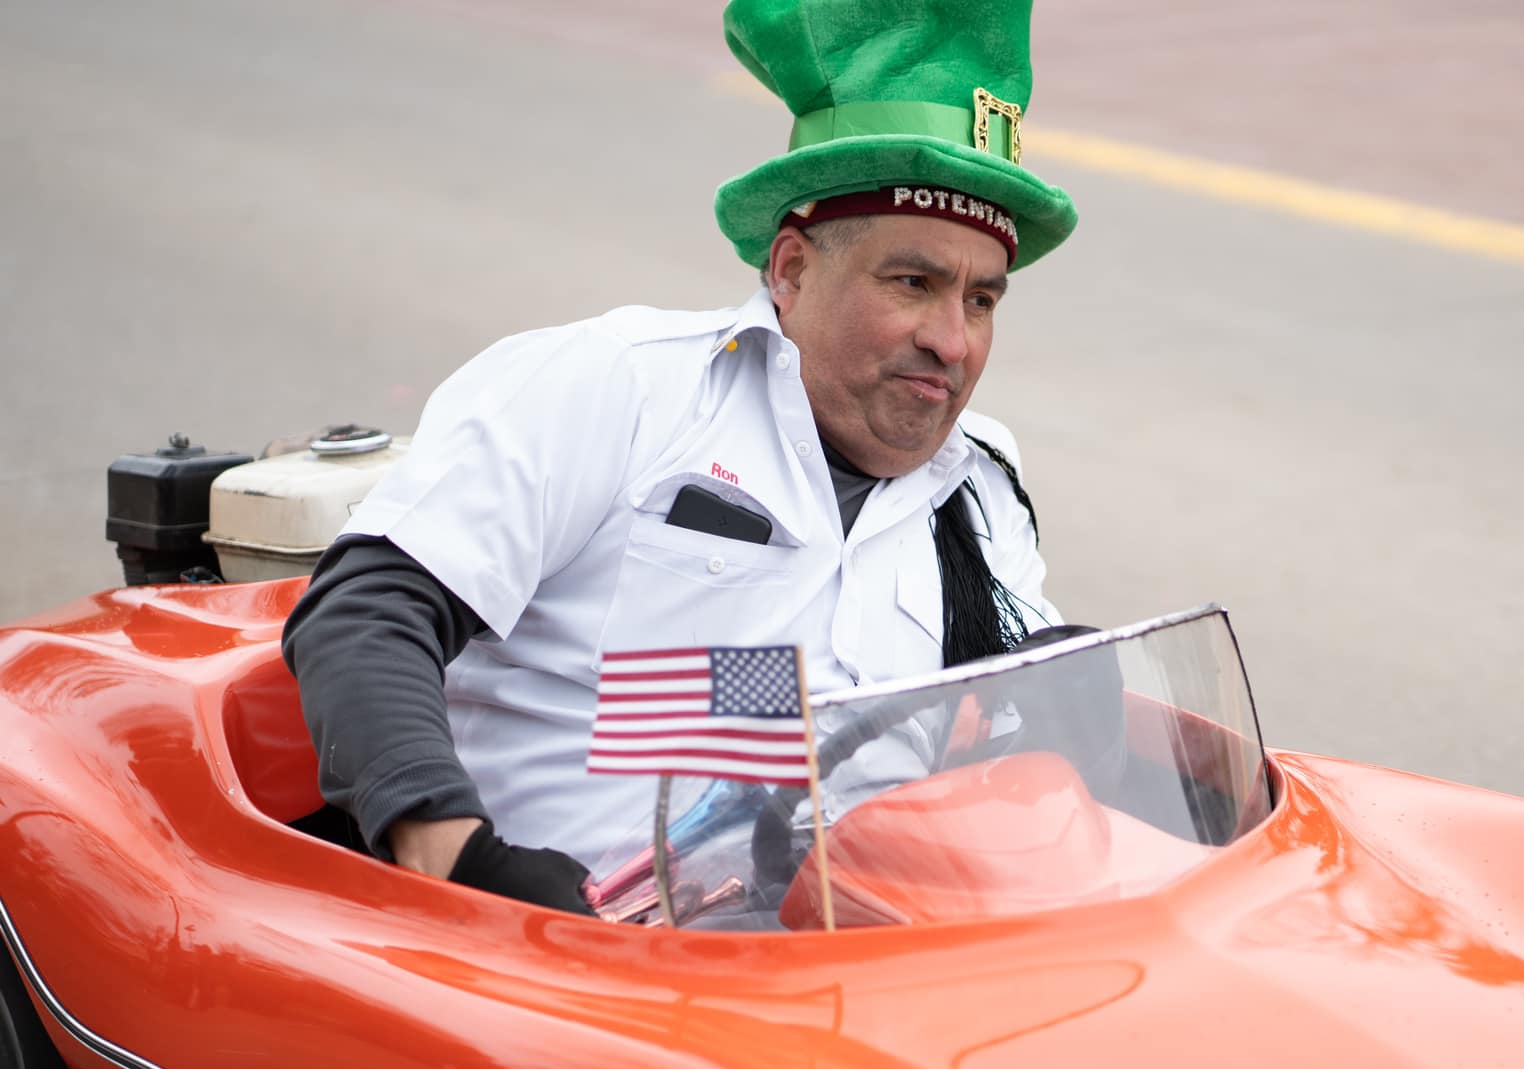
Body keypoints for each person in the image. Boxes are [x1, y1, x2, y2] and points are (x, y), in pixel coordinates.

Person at [281, 0, 1079, 914]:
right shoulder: (620, 387)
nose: (953, 340)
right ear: (791, 270)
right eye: (913, 282)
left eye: (981, 301)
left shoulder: (982, 484)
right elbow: (366, 615)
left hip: (872, 951)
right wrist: (459, 860)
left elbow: (998, 734)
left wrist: (1069, 700)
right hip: (572, 952)